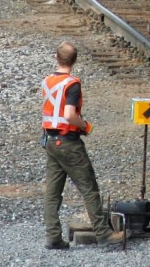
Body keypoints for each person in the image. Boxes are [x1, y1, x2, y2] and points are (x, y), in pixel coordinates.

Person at [41, 42, 115, 250]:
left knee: (53, 192)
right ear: (74, 61)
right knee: (89, 188)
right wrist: (86, 126)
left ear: (56, 57)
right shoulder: (72, 84)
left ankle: (53, 236)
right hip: (69, 142)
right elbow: (69, 115)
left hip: (50, 141)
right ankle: (104, 235)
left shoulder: (47, 81)